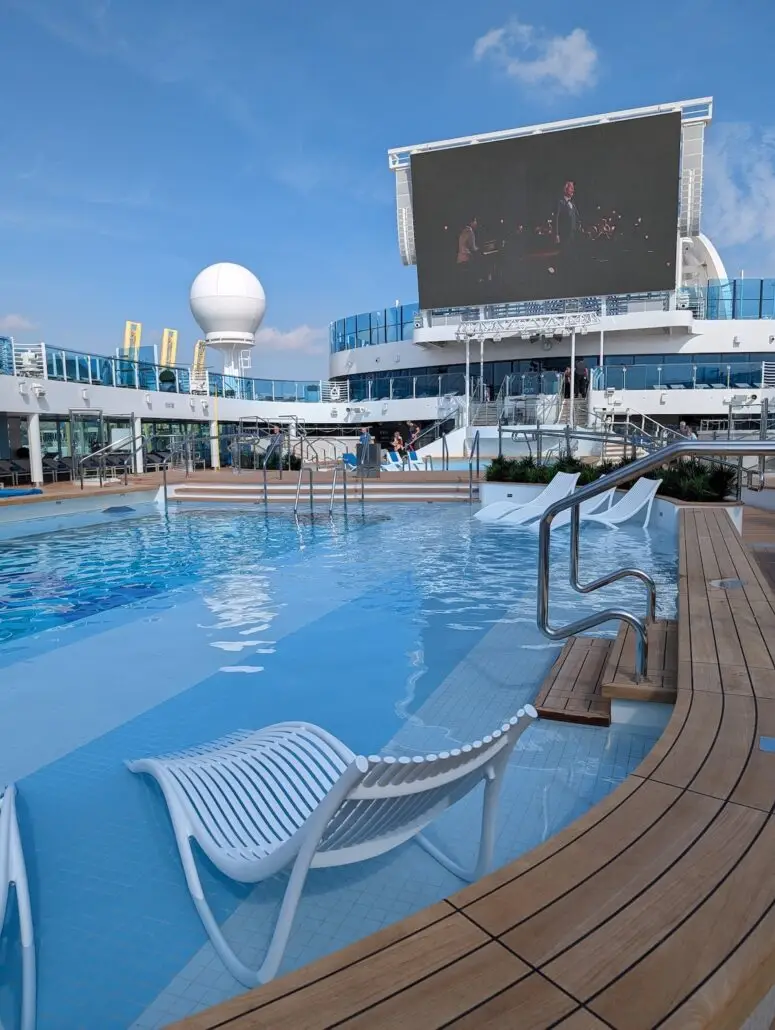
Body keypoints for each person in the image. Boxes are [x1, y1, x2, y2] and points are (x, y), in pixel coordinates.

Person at [555, 181, 581, 254]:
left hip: (574, 234)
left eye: (573, 188)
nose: (573, 190)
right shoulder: (560, 202)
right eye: (571, 188)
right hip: (565, 234)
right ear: (565, 189)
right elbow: (556, 219)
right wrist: (556, 234)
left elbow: (577, 217)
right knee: (565, 253)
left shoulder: (572, 203)